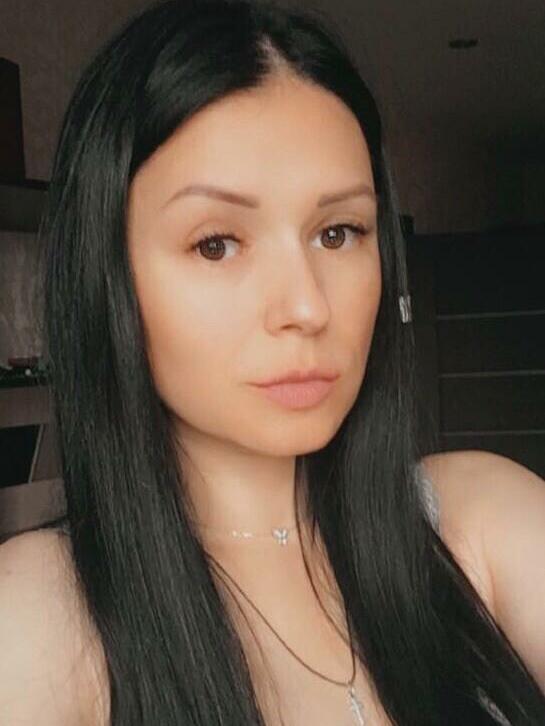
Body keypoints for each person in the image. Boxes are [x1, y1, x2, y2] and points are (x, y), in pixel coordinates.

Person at [0, 1, 544, 724]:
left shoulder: (479, 522)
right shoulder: (40, 618)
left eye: (338, 232)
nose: (307, 307)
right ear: (107, 279)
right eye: (216, 243)